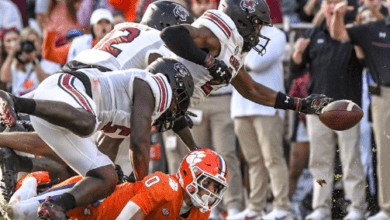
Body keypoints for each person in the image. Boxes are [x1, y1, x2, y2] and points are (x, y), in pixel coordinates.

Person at [0, 0, 197, 203]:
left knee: (69, 143)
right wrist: (192, 147)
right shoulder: (160, 43)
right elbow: (163, 88)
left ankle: (17, 156)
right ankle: (96, 198)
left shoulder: (125, 27)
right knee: (91, 142)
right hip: (95, 83)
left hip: (76, 72)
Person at [0, 57, 194, 220]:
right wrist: (140, 185)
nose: (175, 111)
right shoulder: (154, 87)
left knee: (106, 178)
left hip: (61, 111)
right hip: (69, 89)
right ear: (173, 91)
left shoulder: (128, 112)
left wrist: (121, 184)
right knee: (88, 123)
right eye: (178, 104)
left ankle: (54, 206)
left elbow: (102, 152)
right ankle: (16, 101)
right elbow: (139, 142)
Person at [160, 0, 333, 143]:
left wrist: (299, 104)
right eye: (256, 24)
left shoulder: (233, 48)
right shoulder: (219, 31)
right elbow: (171, 34)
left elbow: (252, 89)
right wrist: (209, 62)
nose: (258, 32)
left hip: (168, 104)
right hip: (157, 90)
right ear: (241, 21)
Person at [290, 0, 367, 219]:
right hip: (319, 109)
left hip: (347, 108)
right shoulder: (313, 34)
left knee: (351, 159)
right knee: (320, 161)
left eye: (335, 2)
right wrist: (297, 53)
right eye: (328, 2)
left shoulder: (353, 32)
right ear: (322, 7)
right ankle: (320, 208)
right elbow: (296, 68)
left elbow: (364, 63)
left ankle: (357, 208)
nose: (332, 6)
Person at [4, 148, 228, 220]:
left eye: (216, 188)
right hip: (90, 201)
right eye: (209, 183)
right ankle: (31, 181)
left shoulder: (201, 213)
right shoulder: (165, 187)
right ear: (190, 174)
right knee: (14, 213)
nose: (211, 191)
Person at [331, 0, 390, 219]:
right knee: (385, 154)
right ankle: (387, 208)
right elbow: (339, 35)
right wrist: (337, 15)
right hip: (384, 94)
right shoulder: (373, 28)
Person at [228, 25, 291, 220]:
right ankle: (256, 208)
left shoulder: (276, 35)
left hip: (267, 106)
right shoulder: (235, 35)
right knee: (253, 161)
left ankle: (282, 207)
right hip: (240, 106)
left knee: (273, 158)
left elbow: (255, 62)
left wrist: (238, 52)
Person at [0, 27, 60, 97]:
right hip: (20, 105)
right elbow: (4, 78)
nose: (29, 46)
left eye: (33, 42)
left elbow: (48, 84)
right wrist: (12, 54)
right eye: (26, 43)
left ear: (40, 42)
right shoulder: (17, 64)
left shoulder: (50, 61)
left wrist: (34, 61)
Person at [43, 8, 114, 65]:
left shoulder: (119, 43)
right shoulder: (80, 43)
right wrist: (50, 32)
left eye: (107, 22)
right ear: (92, 27)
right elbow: (50, 55)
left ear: (112, 26)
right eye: (99, 22)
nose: (103, 26)